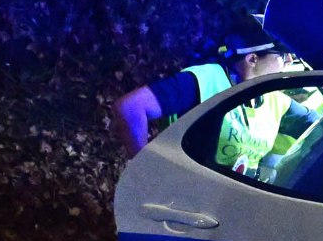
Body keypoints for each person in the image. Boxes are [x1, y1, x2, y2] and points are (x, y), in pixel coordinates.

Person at [115, 17, 309, 169]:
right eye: (282, 55)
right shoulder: (206, 80)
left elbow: (317, 124)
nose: (290, 61)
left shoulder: (271, 97)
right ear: (252, 59)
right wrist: (145, 168)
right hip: (184, 200)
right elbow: (131, 107)